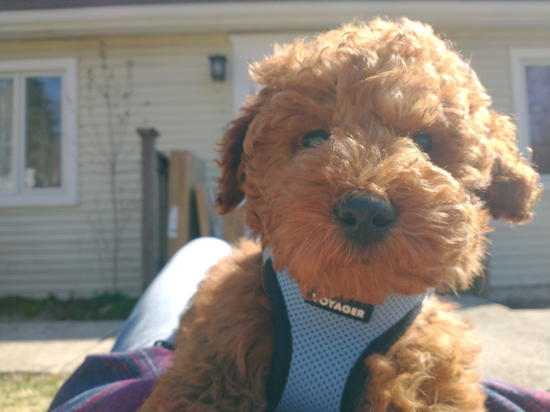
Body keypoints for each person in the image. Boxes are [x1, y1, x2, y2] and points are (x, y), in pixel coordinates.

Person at [49, 238, 549, 412]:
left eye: (422, 144)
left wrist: (168, 353)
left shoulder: (230, 334)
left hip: (188, 343)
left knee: (201, 252)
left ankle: (208, 254)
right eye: (314, 139)